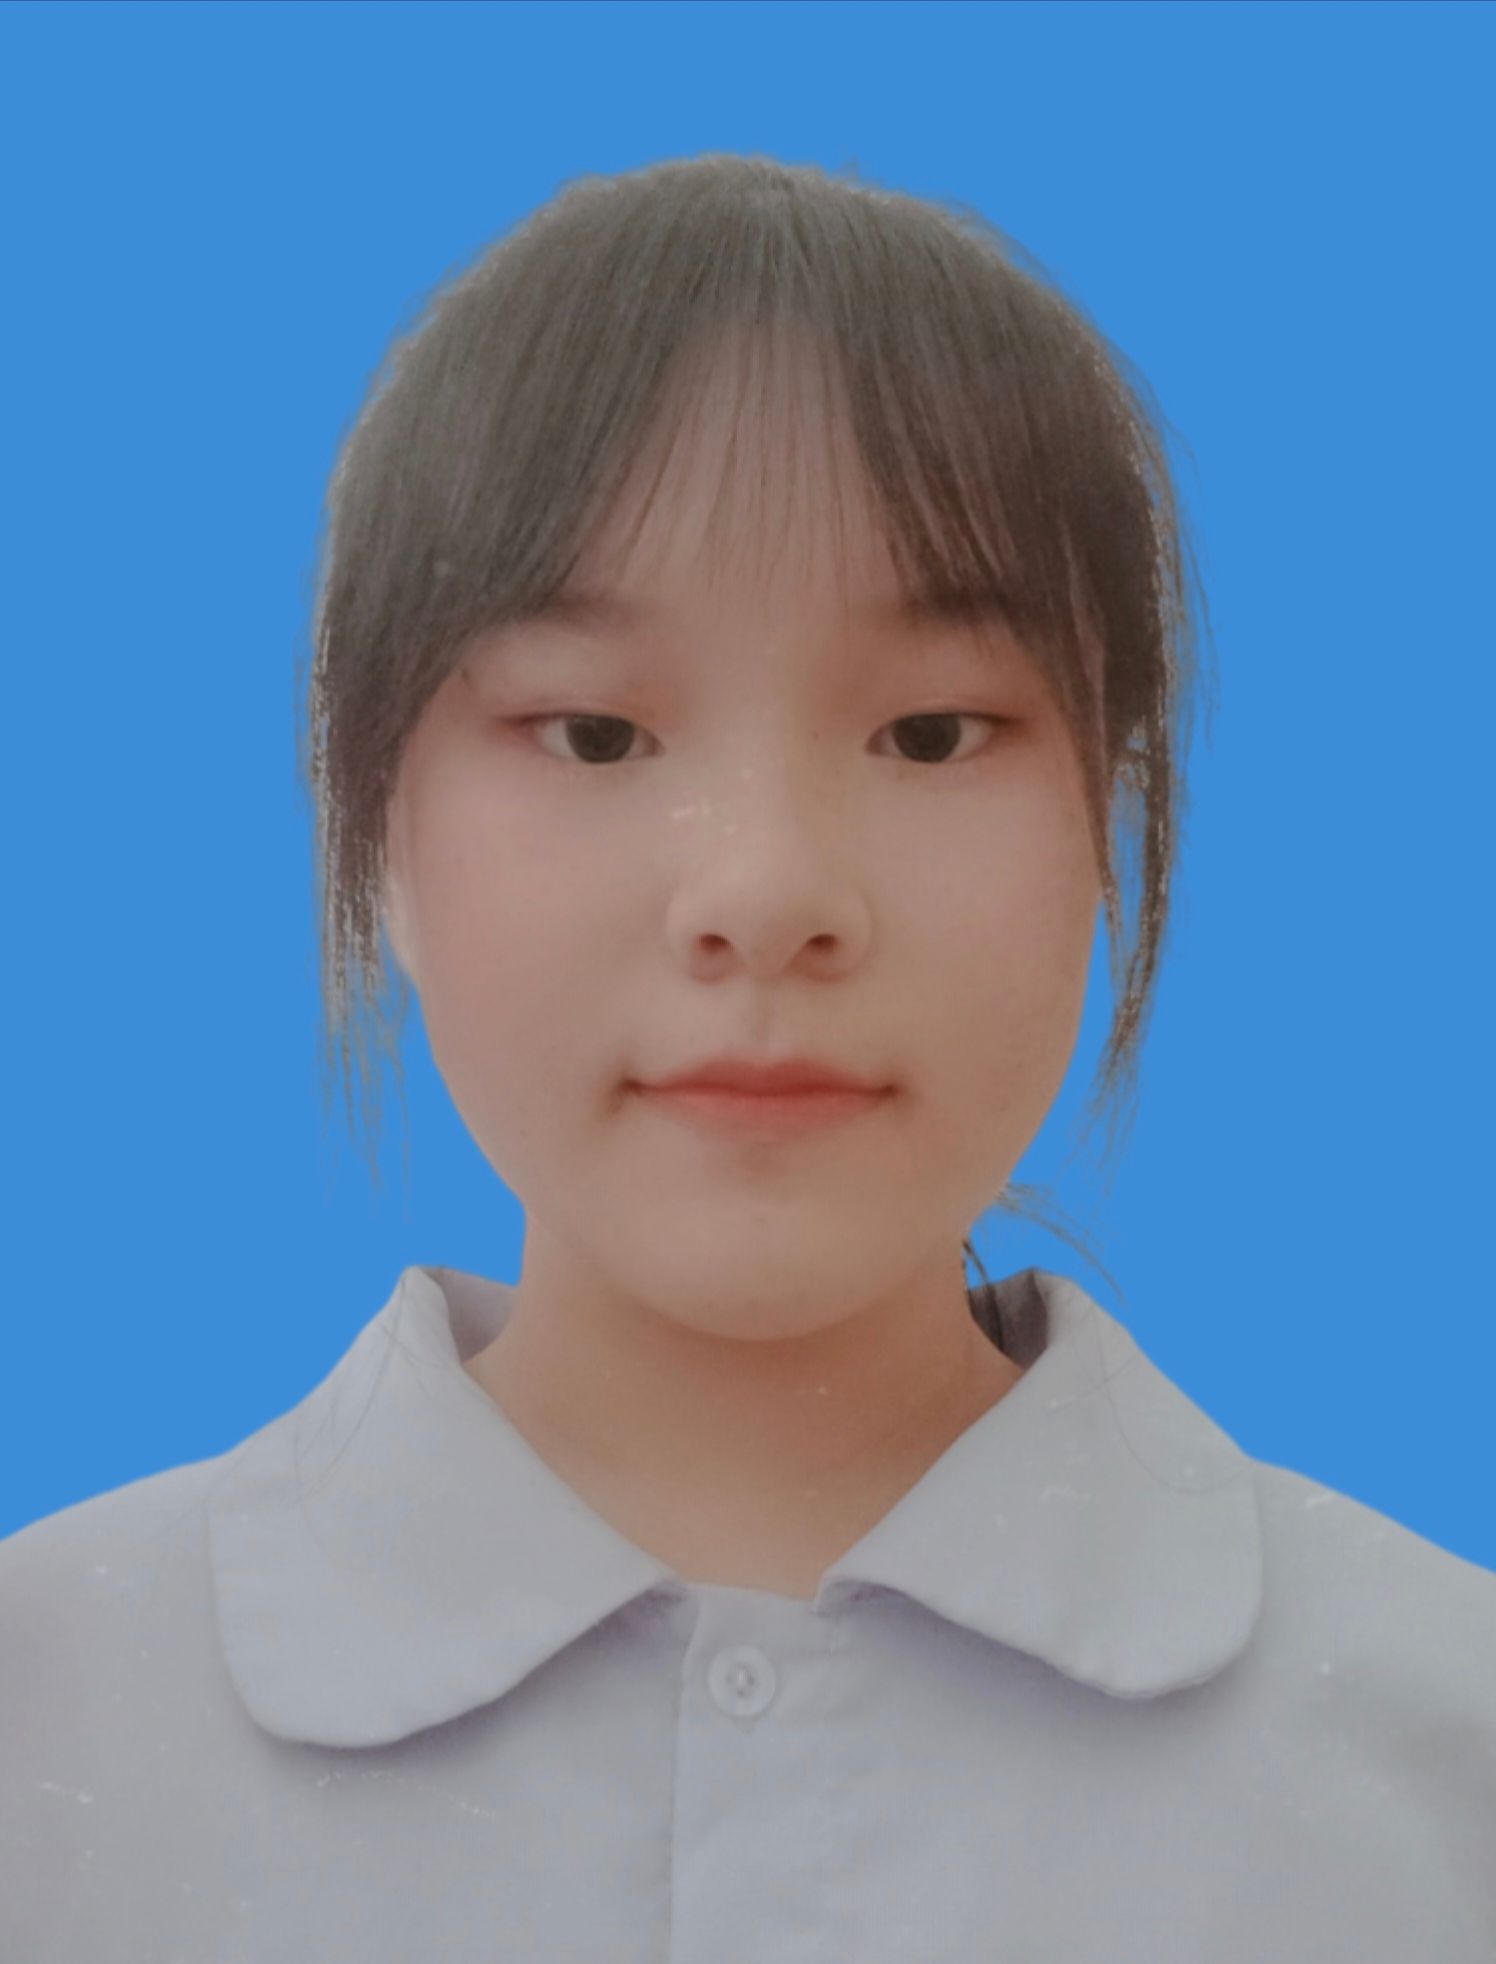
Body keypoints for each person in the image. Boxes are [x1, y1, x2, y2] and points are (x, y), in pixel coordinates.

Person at [3, 153, 1492, 1962]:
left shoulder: (1442, 1754)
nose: (769, 893)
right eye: (596, 732)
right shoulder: (51, 1721)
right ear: (374, 818)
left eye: (931, 733)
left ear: (1111, 816)